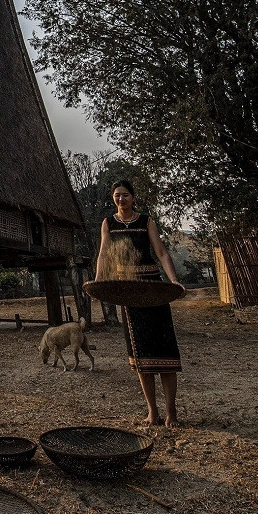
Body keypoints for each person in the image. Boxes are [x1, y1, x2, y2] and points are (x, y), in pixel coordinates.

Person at [95, 180, 185, 428]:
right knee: (140, 357)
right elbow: (104, 254)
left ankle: (171, 412)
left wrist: (173, 281)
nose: (121, 199)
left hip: (153, 290)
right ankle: (152, 412)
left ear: (133, 198)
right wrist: (98, 281)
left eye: (125, 195)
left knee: (164, 352)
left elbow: (162, 252)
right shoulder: (108, 223)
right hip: (129, 292)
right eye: (116, 196)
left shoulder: (146, 221)